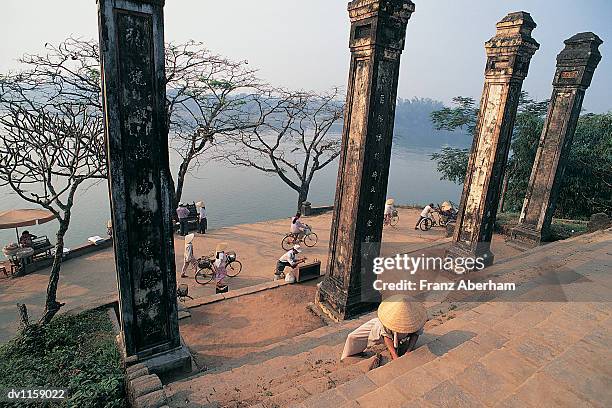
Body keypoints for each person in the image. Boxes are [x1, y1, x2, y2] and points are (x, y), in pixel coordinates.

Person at [341, 295, 427, 361]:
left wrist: (409, 350)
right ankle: (347, 357)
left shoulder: (416, 319)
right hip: (378, 326)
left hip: (397, 335)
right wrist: (394, 355)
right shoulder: (388, 319)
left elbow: (416, 334)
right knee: (352, 336)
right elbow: (387, 337)